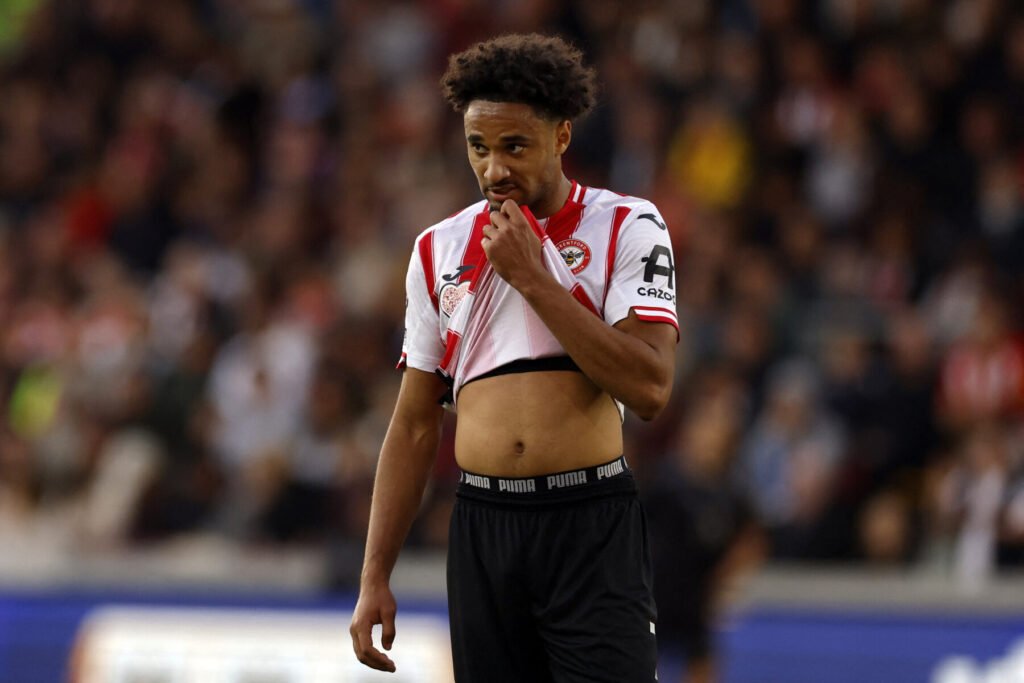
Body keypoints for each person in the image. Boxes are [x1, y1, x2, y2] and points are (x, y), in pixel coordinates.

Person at [349, 33, 678, 682]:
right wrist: (374, 573)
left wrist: (532, 277)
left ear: (561, 136)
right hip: (483, 527)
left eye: (515, 146)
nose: (494, 168)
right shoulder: (437, 249)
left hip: (589, 523)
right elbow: (414, 424)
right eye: (479, 146)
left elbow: (650, 388)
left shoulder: (627, 225)